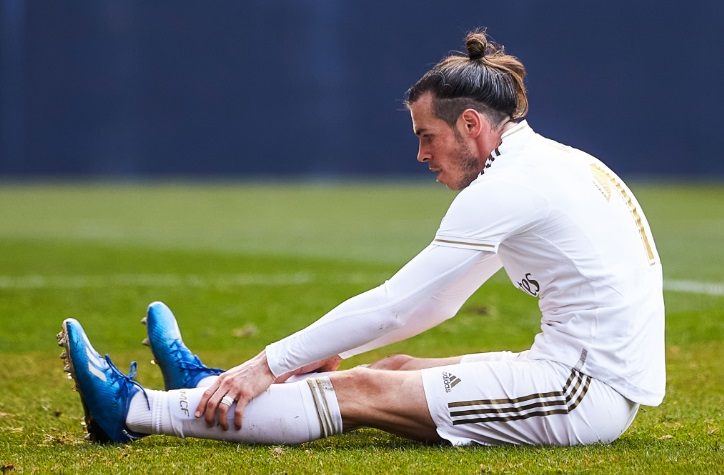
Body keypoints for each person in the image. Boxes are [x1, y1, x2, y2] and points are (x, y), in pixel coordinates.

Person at [58, 29, 665, 447]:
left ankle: (134, 409)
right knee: (393, 367)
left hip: (581, 394)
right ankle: (210, 390)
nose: (421, 154)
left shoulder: (511, 184)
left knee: (363, 389)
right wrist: (318, 354)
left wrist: (269, 362)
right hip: (579, 377)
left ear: (471, 124)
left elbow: (397, 303)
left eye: (427, 135)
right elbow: (437, 303)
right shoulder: (543, 164)